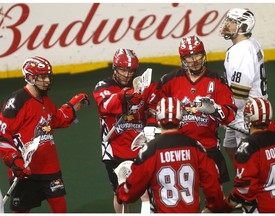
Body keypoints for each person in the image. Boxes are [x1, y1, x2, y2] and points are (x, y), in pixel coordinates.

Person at [0, 56, 90, 213]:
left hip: (50, 167)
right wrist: (15, 161)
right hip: (25, 170)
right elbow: (2, 135)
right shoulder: (17, 101)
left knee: (60, 208)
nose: (47, 80)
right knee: (21, 211)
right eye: (42, 76)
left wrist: (73, 106)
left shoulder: (45, 99)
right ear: (29, 77)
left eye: (48, 76)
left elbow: (57, 119)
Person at [148, 35, 236, 184]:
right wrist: (152, 127)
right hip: (178, 147)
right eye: (189, 56)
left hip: (208, 147)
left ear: (204, 54)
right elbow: (152, 107)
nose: (194, 60)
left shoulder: (217, 81)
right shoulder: (169, 80)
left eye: (197, 54)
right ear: (182, 58)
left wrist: (215, 110)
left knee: (216, 195)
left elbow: (230, 114)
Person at [116, 97, 226, 213]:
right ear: (181, 117)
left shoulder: (149, 150)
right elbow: (213, 184)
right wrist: (214, 207)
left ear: (158, 118)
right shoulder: (196, 147)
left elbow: (130, 193)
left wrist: (121, 191)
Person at [92, 48, 157, 213]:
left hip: (139, 146)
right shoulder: (103, 86)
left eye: (130, 70)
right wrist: (125, 95)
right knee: (121, 194)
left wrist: (150, 124)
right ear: (114, 68)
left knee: (146, 194)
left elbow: (152, 109)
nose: (127, 74)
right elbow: (105, 105)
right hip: (114, 149)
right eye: (123, 69)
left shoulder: (143, 86)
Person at [220, 8, 268, 163]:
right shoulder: (250, 43)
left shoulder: (242, 51)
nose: (227, 24)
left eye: (232, 22)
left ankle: (246, 183)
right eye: (228, 20)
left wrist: (222, 112)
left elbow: (240, 96)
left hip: (247, 113)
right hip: (249, 107)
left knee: (248, 158)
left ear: (243, 27)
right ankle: (242, 176)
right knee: (229, 145)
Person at [223, 97, 275, 213]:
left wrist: (227, 204)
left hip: (263, 207)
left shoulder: (249, 148)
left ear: (248, 118)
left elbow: (245, 189)